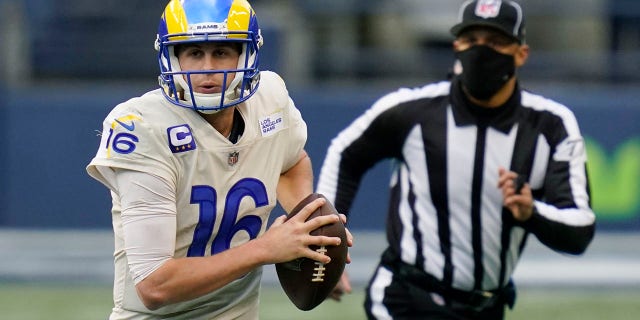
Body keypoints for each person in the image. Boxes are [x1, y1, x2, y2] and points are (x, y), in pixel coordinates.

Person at [317, 0, 596, 319]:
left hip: (488, 307)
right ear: (456, 46)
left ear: (521, 54)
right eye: (471, 40)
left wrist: (531, 212)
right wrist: (329, 249)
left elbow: (580, 229)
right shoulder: (414, 111)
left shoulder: (550, 125)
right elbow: (346, 153)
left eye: (495, 42)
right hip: (405, 298)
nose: (482, 51)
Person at [86, 0, 351, 319]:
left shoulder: (270, 99)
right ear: (173, 59)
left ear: (247, 55)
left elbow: (293, 162)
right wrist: (267, 248)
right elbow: (155, 287)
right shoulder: (143, 127)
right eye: (194, 53)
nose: (208, 68)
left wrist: (307, 231)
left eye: (223, 51)